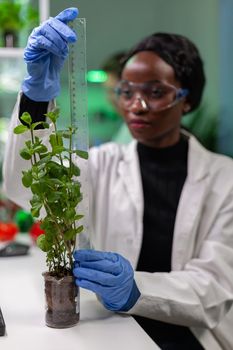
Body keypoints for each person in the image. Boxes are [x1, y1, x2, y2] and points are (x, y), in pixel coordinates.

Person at [3, 8, 233, 350]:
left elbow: (216, 286)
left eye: (156, 92)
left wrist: (137, 289)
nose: (136, 105)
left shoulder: (224, 179)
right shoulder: (102, 163)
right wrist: (36, 100)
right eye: (127, 91)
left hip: (187, 335)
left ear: (187, 100)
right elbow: (26, 184)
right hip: (112, 330)